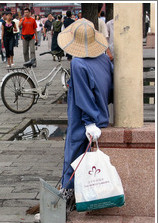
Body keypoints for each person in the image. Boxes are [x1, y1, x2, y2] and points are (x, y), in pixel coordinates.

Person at [57, 19, 113, 210]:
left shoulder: (78, 64)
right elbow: (110, 89)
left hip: (83, 120)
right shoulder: (104, 59)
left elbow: (83, 96)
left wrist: (89, 121)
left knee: (73, 158)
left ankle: (65, 203)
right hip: (101, 117)